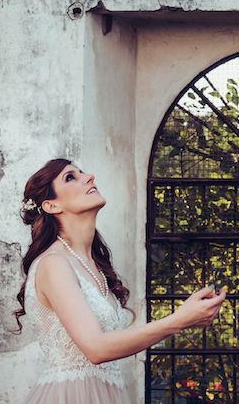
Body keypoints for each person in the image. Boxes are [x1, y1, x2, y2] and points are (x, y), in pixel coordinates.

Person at [15, 158, 226, 403]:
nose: (89, 176)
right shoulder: (54, 263)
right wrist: (179, 319)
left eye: (82, 172)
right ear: (51, 205)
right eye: (70, 177)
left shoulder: (94, 264)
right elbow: (96, 348)